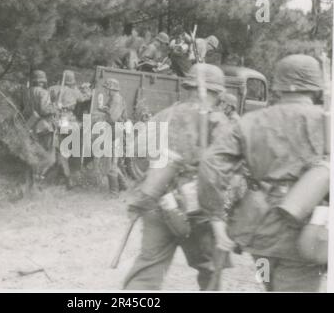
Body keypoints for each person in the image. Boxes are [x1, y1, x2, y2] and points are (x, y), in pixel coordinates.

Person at [198, 54, 328, 292]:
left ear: (277, 85)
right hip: (306, 232)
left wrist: (216, 217)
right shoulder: (326, 122)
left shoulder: (250, 121)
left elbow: (210, 164)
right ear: (316, 86)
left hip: (259, 230)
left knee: (270, 283)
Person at [123, 63, 232, 290]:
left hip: (158, 200)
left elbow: (137, 152)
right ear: (218, 92)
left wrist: (159, 175)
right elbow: (221, 171)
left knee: (147, 270)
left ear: (188, 86)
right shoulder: (218, 121)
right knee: (211, 270)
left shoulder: (165, 114)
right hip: (199, 207)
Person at [49, 70, 86, 189]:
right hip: (69, 120)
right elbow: (83, 98)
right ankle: (70, 178)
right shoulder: (73, 91)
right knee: (73, 150)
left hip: (58, 120)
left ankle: (63, 176)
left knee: (61, 150)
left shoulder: (53, 89)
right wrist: (86, 89)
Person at [98, 78, 128, 197]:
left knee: (111, 162)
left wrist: (104, 113)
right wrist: (104, 109)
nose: (106, 91)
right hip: (114, 130)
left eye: (107, 89)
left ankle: (114, 192)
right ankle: (124, 185)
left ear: (111, 89)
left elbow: (113, 117)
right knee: (111, 161)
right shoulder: (113, 98)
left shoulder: (116, 99)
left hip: (116, 130)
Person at [24, 70, 56, 151]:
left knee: (31, 146)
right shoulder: (44, 92)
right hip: (42, 123)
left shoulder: (27, 91)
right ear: (42, 81)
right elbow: (44, 110)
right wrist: (54, 108)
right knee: (45, 148)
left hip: (29, 121)